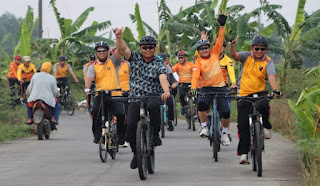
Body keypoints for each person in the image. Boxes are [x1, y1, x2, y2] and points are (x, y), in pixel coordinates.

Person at [114, 28, 170, 169]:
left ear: (154, 48)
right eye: (145, 48)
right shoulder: (135, 57)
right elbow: (124, 48)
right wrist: (119, 37)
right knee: (131, 126)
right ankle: (136, 154)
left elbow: (163, 77)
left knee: (153, 106)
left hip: (152, 95)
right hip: (135, 98)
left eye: (151, 47)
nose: (148, 50)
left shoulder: (158, 62)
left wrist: (166, 91)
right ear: (141, 48)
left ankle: (155, 135)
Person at [229, 35, 281, 164]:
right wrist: (232, 45)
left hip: (260, 92)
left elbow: (272, 76)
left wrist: (275, 90)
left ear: (266, 50)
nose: (259, 51)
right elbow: (234, 55)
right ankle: (244, 154)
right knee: (243, 125)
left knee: (264, 105)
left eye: (262, 49)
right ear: (252, 48)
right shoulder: (246, 56)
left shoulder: (268, 62)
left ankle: (264, 126)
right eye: (256, 48)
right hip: (244, 94)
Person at [190, 12, 229, 140]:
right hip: (206, 89)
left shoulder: (215, 53)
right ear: (198, 51)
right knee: (201, 106)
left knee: (226, 112)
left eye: (206, 48)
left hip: (220, 87)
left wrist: (222, 25)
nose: (205, 50)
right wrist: (193, 88)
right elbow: (195, 76)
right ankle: (204, 126)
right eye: (201, 49)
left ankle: (224, 133)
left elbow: (220, 38)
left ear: (209, 48)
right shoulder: (198, 62)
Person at [84, 41, 126, 146]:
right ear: (96, 52)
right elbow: (89, 78)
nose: (101, 52)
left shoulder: (113, 62)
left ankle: (121, 138)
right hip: (101, 94)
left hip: (116, 93)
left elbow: (119, 49)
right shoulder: (93, 66)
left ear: (107, 52)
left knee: (121, 115)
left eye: (104, 50)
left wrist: (118, 37)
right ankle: (97, 136)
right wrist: (87, 88)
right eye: (99, 51)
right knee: (95, 113)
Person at [25, 62, 61, 128]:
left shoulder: (35, 76)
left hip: (34, 98)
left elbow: (30, 88)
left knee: (28, 103)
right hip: (47, 99)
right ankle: (53, 118)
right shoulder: (52, 78)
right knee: (58, 105)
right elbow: (55, 91)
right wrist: (55, 95)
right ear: (49, 68)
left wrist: (30, 95)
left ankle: (29, 118)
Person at [110, 47, 130, 148]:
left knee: (126, 116)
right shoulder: (108, 66)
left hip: (126, 93)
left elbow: (133, 77)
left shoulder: (127, 64)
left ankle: (124, 138)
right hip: (113, 93)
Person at [158, 53, 177, 131]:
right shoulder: (152, 68)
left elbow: (171, 78)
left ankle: (170, 121)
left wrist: (173, 84)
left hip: (167, 89)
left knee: (170, 103)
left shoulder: (168, 68)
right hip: (157, 90)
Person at [172, 51, 194, 116]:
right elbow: (172, 72)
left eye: (182, 58)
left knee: (195, 95)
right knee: (181, 95)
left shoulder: (191, 65)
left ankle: (195, 108)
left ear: (186, 58)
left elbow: (196, 72)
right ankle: (184, 107)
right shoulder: (177, 66)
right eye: (179, 58)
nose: (180, 59)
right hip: (182, 84)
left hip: (191, 83)